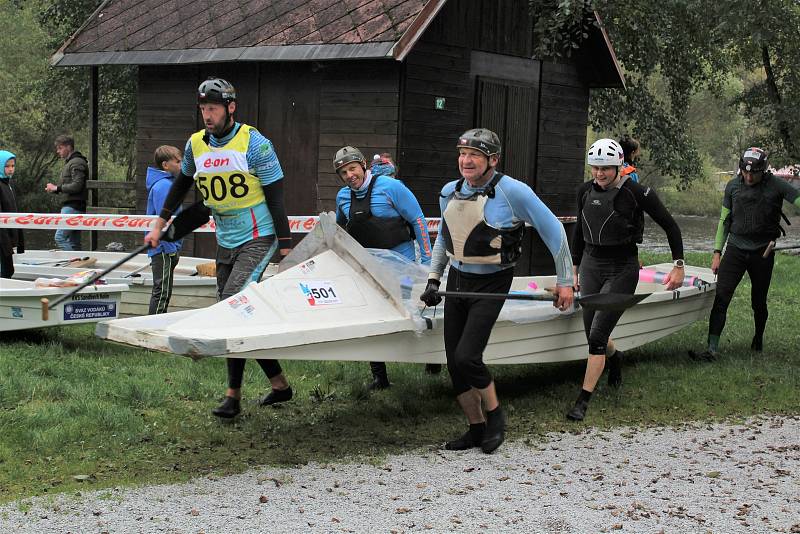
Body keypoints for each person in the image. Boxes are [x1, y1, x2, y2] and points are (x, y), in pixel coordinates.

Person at [144, 77, 294, 419]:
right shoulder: (196, 145)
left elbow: (277, 199)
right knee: (240, 314)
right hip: (226, 238)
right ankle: (280, 385)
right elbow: (183, 185)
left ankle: (233, 397)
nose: (207, 115)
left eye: (212, 108)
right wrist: (160, 225)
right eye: (202, 109)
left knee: (230, 305)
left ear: (230, 107)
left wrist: (285, 249)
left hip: (259, 236)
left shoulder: (255, 144)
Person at [419, 128, 575, 453]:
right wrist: (434, 279)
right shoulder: (450, 192)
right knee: (454, 363)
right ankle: (475, 428)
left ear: (492, 159)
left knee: (468, 356)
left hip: (493, 281)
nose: (466, 160)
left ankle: (496, 417)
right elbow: (445, 239)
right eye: (462, 153)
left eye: (474, 155)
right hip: (457, 282)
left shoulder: (513, 192)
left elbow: (554, 230)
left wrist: (565, 282)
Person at [569, 138, 685, 421]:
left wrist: (678, 265)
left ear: (619, 165)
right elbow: (578, 231)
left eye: (606, 168)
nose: (600, 174)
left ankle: (582, 401)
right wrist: (573, 268)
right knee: (593, 335)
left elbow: (670, 226)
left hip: (622, 267)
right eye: (595, 168)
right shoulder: (584, 191)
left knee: (596, 336)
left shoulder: (636, 192)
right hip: (591, 265)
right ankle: (615, 358)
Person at [333, 145, 438, 389]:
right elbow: (340, 233)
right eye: (343, 173)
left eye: (352, 168)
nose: (350, 175)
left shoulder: (392, 188)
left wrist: (426, 262)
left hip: (403, 265)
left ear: (363, 166)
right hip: (368, 267)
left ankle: (432, 358)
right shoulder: (342, 197)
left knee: (409, 310)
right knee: (373, 315)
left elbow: (418, 220)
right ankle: (380, 377)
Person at [690, 147, 800, 360]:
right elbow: (724, 221)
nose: (749, 177)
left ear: (764, 170)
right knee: (721, 297)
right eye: (745, 172)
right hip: (735, 249)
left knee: (758, 301)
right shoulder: (732, 186)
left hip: (763, 252)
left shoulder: (776, 185)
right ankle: (711, 349)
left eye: (754, 173)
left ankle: (758, 340)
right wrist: (716, 252)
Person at [145, 145, 184, 314]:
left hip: (166, 247)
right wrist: (170, 248)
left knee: (163, 291)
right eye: (178, 161)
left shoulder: (167, 184)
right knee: (162, 292)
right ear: (166, 165)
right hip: (163, 247)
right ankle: (152, 327)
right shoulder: (163, 186)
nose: (181, 165)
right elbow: (164, 220)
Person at [46, 135, 88, 251]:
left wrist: (56, 188)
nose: (58, 151)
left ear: (68, 147)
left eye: (60, 148)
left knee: (60, 237)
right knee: (74, 242)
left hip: (73, 207)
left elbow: (77, 186)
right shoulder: (72, 162)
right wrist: (55, 189)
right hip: (73, 206)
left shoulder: (77, 162)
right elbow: (70, 185)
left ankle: (74, 261)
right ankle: (78, 264)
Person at [0, 150, 24, 278]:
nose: (11, 169)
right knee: (6, 270)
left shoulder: (9, 183)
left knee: (9, 270)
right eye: (7, 166)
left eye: (13, 166)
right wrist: (5, 240)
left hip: (8, 233)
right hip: (2, 236)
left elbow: (14, 209)